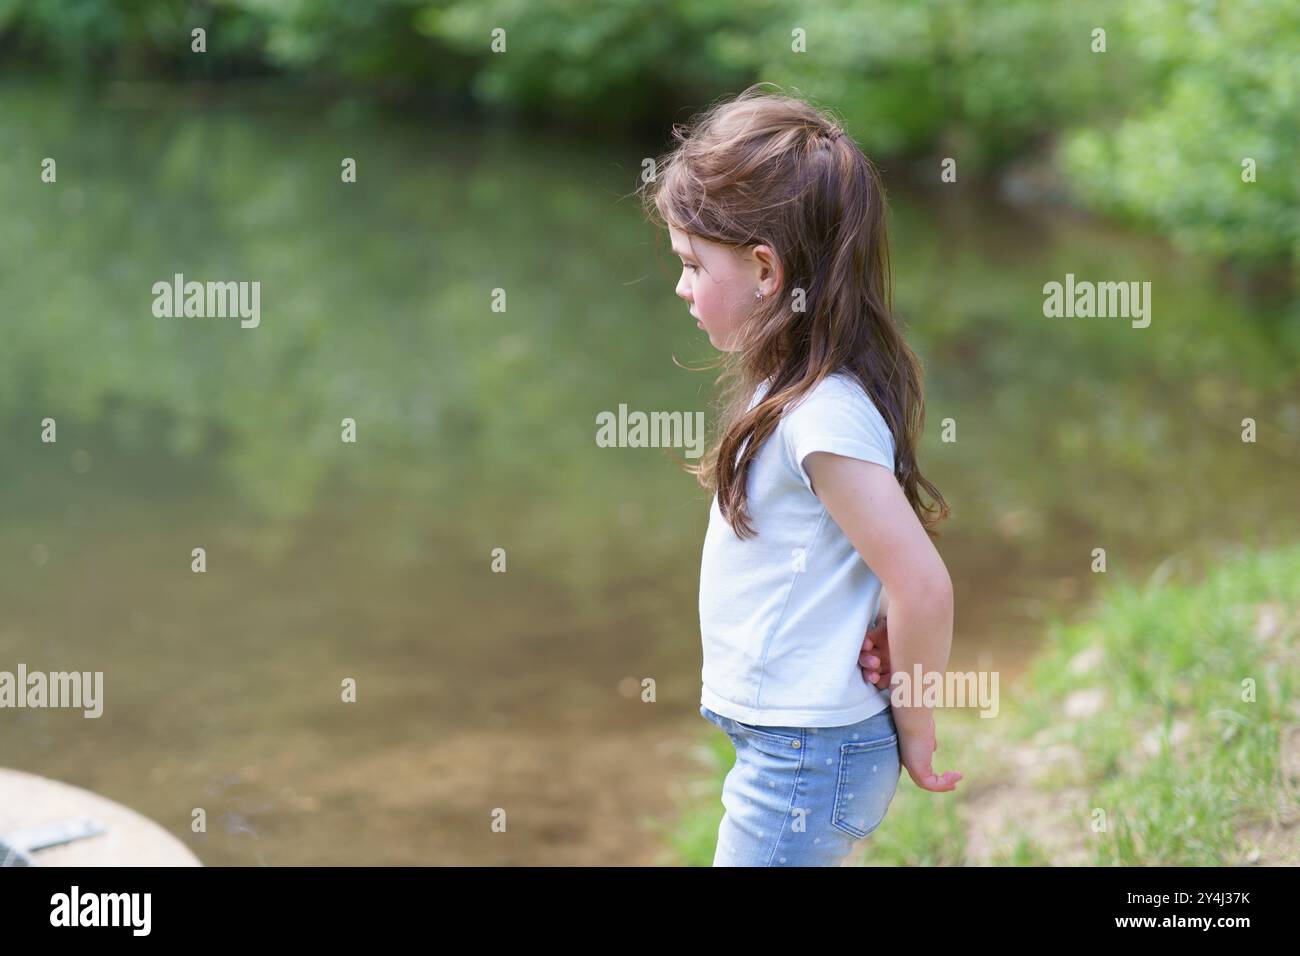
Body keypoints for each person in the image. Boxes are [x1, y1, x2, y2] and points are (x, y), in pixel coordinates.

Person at [640, 84, 961, 866]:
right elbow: (866, 566)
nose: (681, 285)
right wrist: (871, 616)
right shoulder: (792, 386)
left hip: (807, 757)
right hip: (794, 746)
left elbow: (921, 583)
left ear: (763, 270)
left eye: (691, 264)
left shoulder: (820, 414)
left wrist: (915, 720)